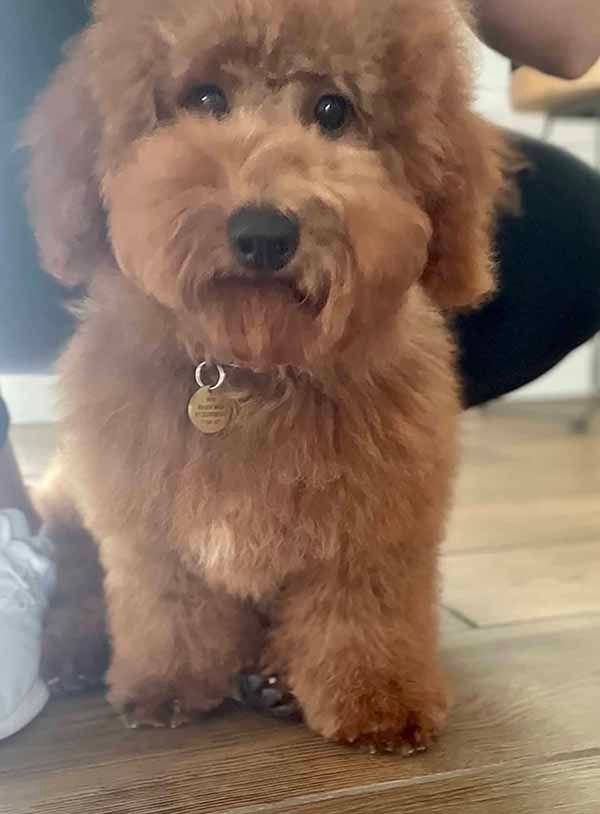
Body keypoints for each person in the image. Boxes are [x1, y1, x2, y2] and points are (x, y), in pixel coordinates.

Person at [0, 0, 599, 738]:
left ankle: (352, 643)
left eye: (330, 110)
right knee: (126, 528)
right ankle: (125, 612)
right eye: (207, 97)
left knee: (373, 531)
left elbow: (575, 39)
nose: (264, 189)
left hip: (359, 359)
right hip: (142, 324)